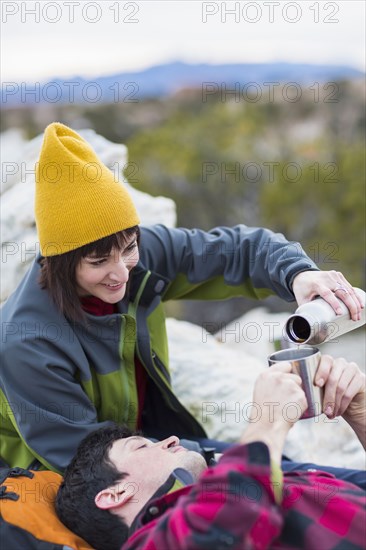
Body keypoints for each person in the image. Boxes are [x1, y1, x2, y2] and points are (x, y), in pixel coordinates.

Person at [0, 122, 363, 478]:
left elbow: (238, 251)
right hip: (62, 480)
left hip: (149, 445)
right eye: (98, 262)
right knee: (259, 501)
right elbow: (91, 469)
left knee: (324, 481)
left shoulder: (140, 254)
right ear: (58, 262)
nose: (122, 273)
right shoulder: (28, 341)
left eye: (128, 248)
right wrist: (259, 432)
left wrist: (297, 274)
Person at [55, 356, 366, 550]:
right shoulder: (149, 542)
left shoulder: (268, 481)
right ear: (115, 493)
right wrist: (267, 423)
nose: (170, 439)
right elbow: (219, 529)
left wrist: (360, 413)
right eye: (141, 446)